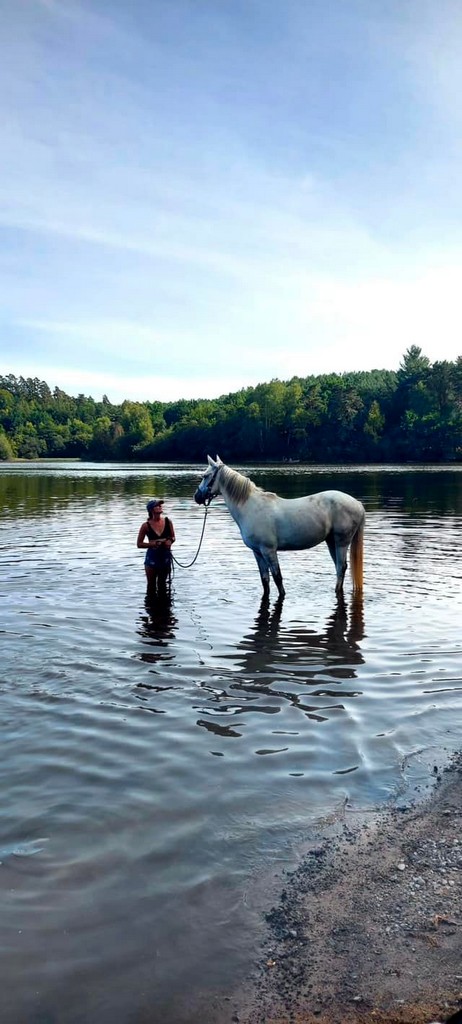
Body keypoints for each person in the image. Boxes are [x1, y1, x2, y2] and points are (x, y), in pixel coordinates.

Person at [137, 498, 176, 596]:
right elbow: (139, 544)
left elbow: (173, 537)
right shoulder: (145, 526)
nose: (160, 506)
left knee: (162, 584)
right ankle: (151, 609)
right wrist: (153, 544)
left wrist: (170, 541)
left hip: (165, 557)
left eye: (160, 505)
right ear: (151, 510)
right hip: (152, 558)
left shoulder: (168, 522)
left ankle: (165, 609)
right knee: (151, 586)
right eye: (157, 505)